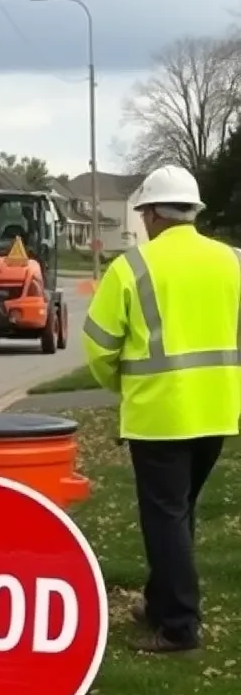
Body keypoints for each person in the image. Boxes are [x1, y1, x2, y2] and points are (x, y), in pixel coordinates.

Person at [81, 165, 241, 654]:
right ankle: (160, 601)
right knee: (179, 510)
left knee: (165, 515)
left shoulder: (131, 268)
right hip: (217, 411)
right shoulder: (233, 261)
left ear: (151, 214)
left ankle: (179, 625)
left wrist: (121, 386)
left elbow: (98, 347)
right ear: (192, 211)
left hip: (160, 415)